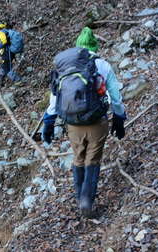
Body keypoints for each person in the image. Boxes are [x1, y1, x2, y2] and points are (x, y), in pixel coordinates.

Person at [42, 27, 126, 218]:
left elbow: (55, 99)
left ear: (78, 47)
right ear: (95, 47)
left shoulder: (65, 68)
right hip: (97, 121)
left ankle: (79, 197)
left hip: (72, 123)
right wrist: (119, 118)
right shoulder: (102, 65)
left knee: (78, 157)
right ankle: (87, 200)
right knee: (93, 159)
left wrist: (48, 122)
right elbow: (115, 96)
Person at [0, 22, 23, 86]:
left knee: (7, 69)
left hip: (6, 53)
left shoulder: (0, 32)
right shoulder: (5, 30)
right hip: (7, 52)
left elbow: (4, 41)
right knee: (4, 67)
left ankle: (18, 81)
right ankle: (0, 81)